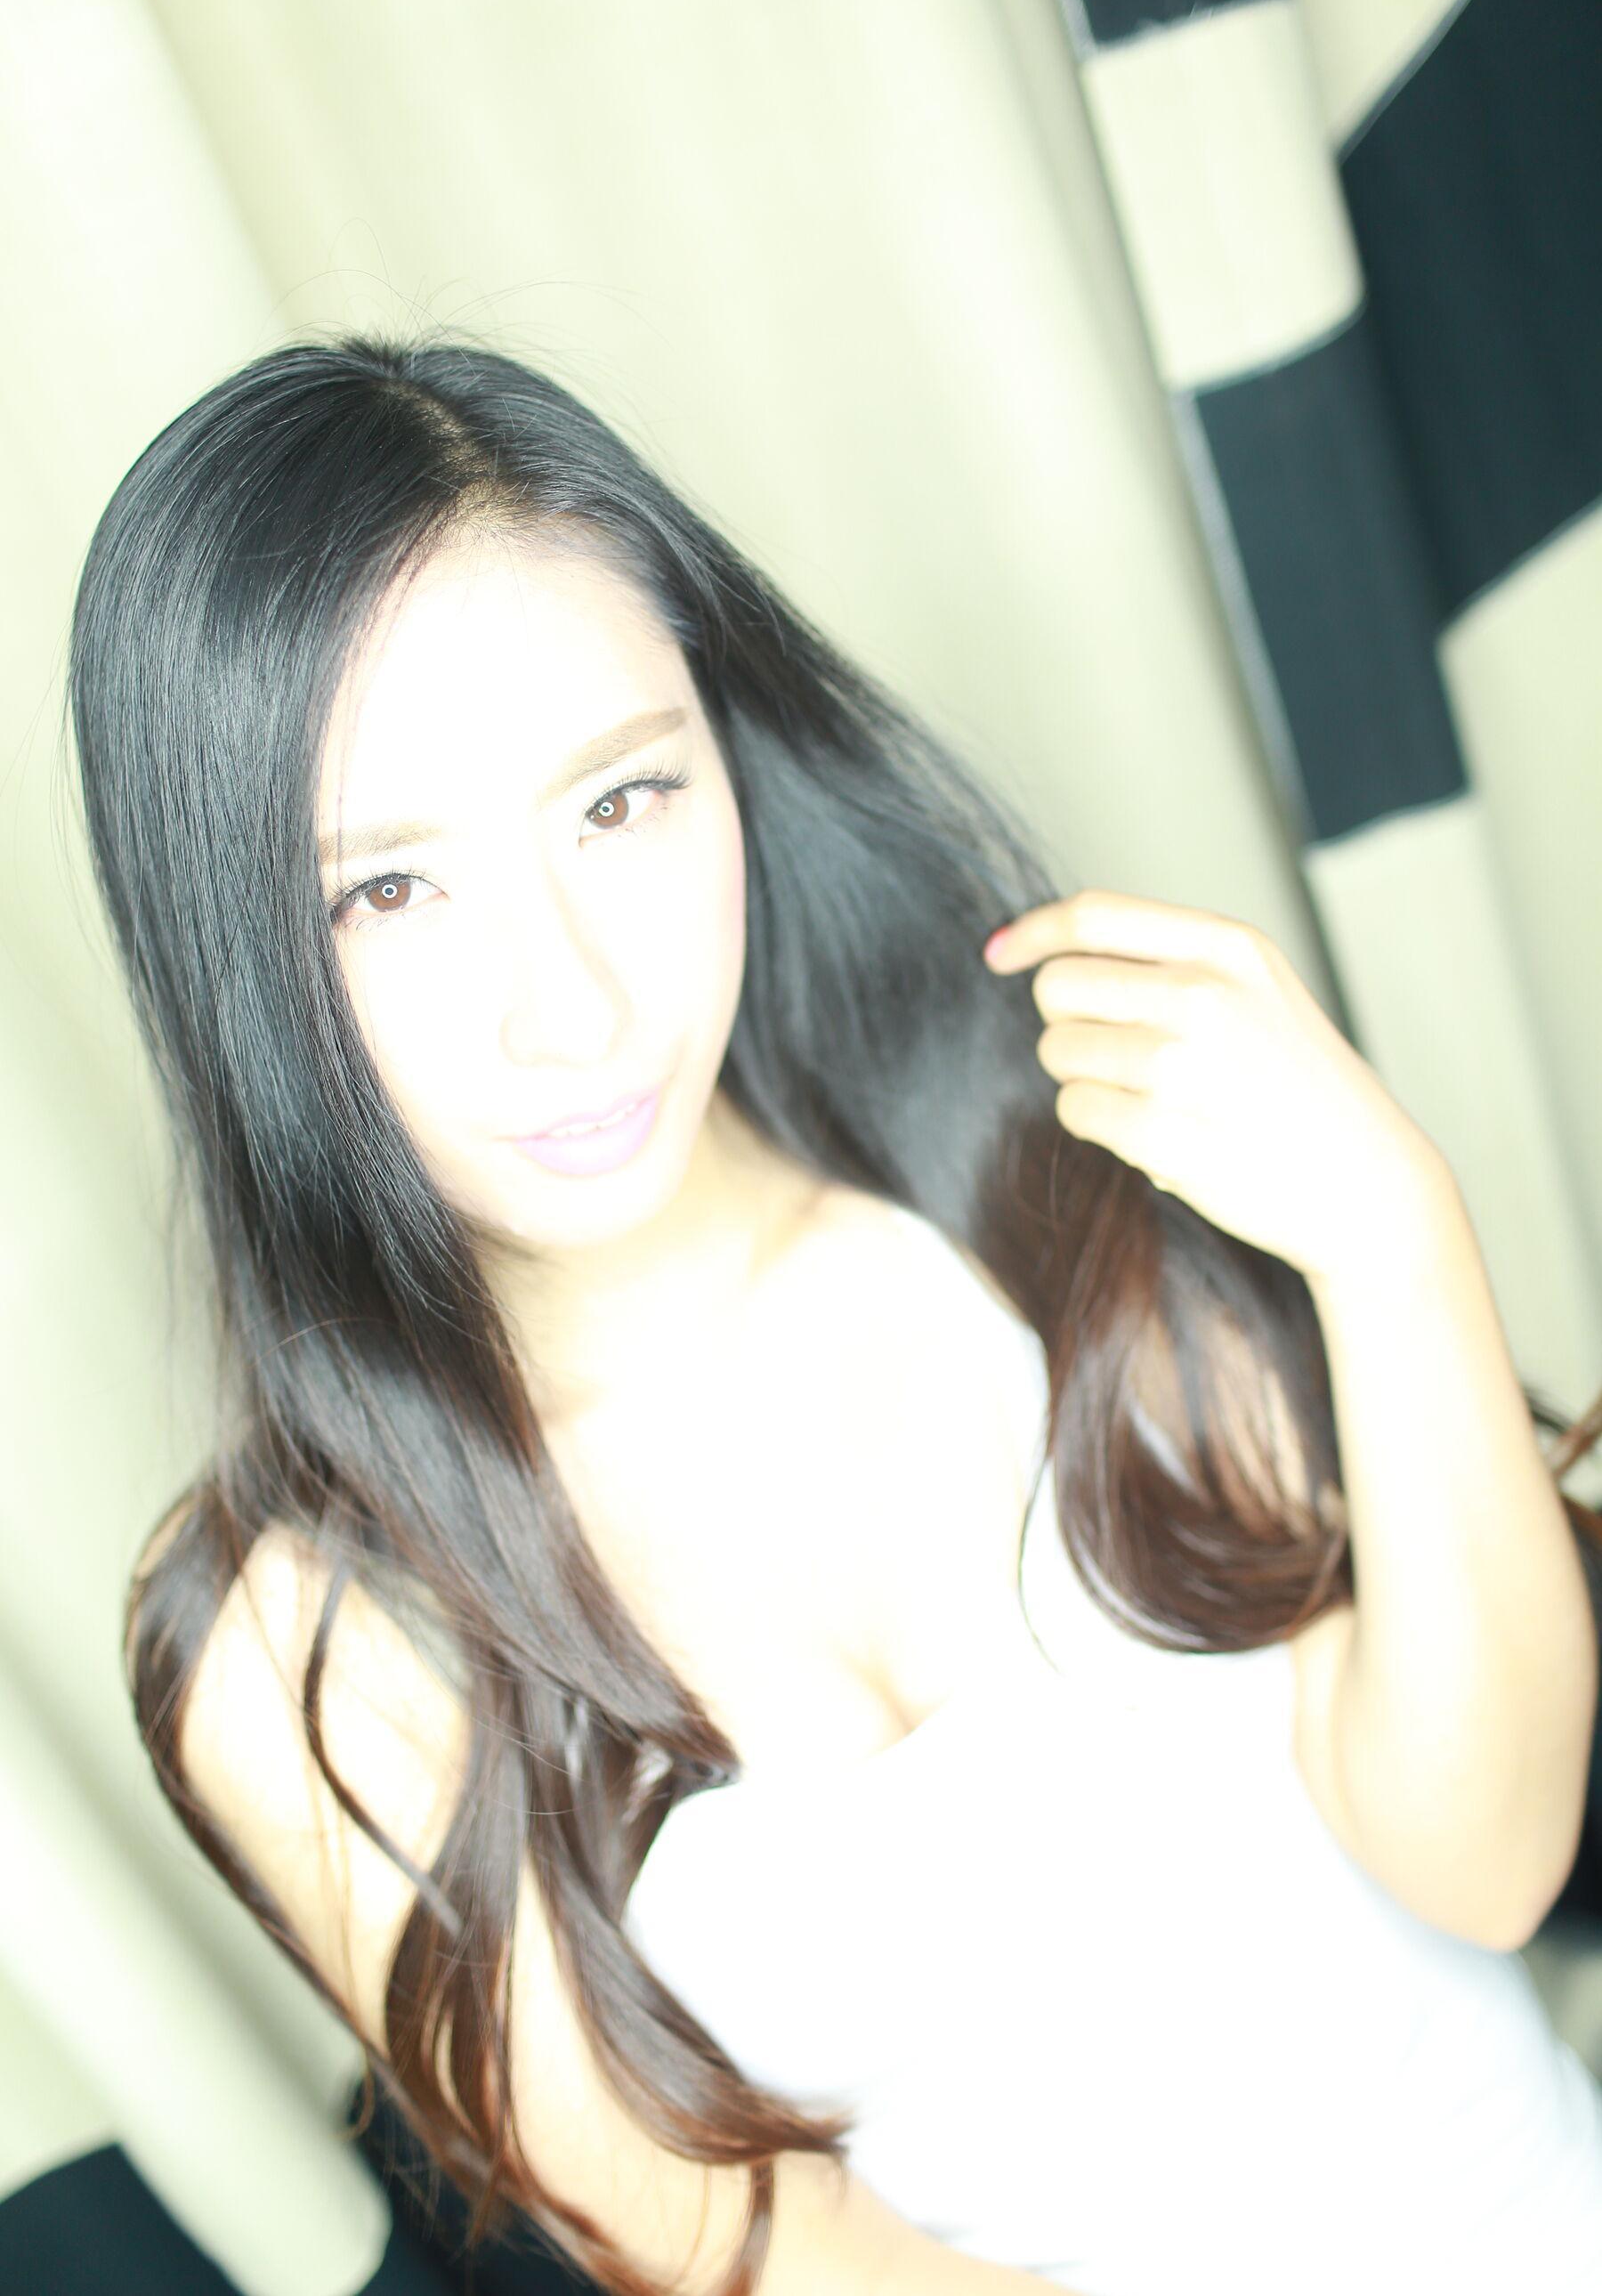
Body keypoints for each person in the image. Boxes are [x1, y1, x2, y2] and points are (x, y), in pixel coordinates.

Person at [69, 333, 1602, 2296]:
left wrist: (1395, 1240)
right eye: (387, 895)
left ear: (728, 749)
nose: (570, 1003)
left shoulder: (1048, 1147)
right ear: (234, 955)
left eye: (619, 802)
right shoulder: (312, 1648)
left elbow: (1490, 1858)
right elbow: (779, 2269)